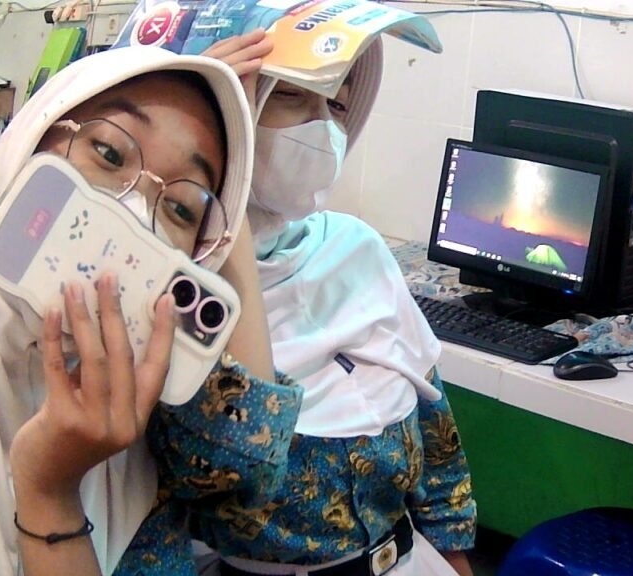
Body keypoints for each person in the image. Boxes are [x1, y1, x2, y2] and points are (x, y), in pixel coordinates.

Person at [0, 43, 303, 576]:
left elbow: (249, 470)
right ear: (33, 134)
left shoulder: (139, 422)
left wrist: (51, 490)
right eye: (109, 154)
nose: (131, 212)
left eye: (179, 208)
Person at [178, 34, 477, 576]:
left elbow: (436, 429)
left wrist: (454, 556)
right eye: (292, 95)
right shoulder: (177, 292)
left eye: (337, 106)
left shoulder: (356, 248)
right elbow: (223, 473)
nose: (321, 129)